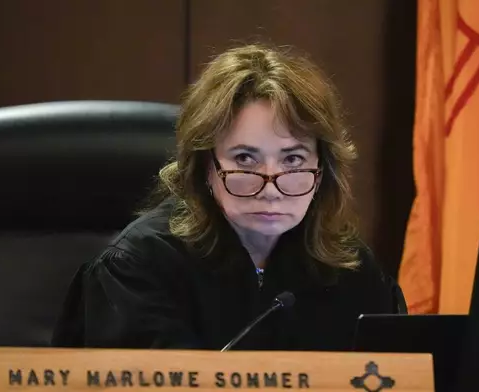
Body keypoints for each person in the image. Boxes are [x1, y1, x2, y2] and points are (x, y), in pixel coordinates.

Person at [52, 43, 407, 351]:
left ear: (322, 171)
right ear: (206, 166)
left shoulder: (353, 271)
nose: (270, 188)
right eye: (245, 159)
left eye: (293, 159)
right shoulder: (136, 269)